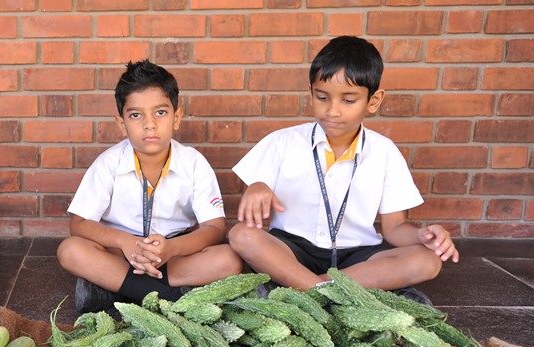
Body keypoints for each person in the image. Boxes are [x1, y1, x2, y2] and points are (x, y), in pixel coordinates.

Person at [229, 35, 459, 296]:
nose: (332, 111)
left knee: (427, 261)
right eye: (322, 97)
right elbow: (254, 200)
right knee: (242, 235)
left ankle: (307, 288)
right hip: (292, 250)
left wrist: (422, 236)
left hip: (357, 258)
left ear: (373, 101)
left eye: (348, 100)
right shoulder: (283, 142)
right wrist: (257, 187)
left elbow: (395, 228)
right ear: (311, 92)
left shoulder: (384, 152)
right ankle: (329, 291)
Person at [57, 60, 243, 313]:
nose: (149, 124)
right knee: (70, 250)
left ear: (177, 117)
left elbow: (215, 228)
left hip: (175, 254)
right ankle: (172, 299)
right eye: (136, 115)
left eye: (160, 112)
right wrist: (125, 242)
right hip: (122, 252)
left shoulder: (194, 163)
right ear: (121, 123)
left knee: (229, 260)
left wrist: (172, 248)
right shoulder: (109, 163)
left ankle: (119, 290)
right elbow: (78, 224)